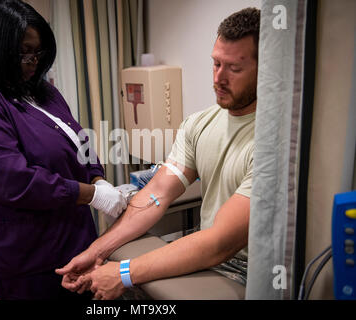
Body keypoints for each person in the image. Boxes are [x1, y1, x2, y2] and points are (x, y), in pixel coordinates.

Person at [56, 7, 260, 300]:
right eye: (215, 63)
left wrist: (123, 273)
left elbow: (219, 244)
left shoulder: (274, 141)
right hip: (208, 261)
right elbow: (157, 195)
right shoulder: (199, 124)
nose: (218, 78)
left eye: (234, 69)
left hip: (247, 273)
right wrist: (95, 252)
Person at [0, 0, 126, 300]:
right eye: (23, 52)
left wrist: (96, 178)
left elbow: (78, 138)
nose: (33, 61)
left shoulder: (42, 90)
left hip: (71, 236)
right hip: (23, 254)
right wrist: (92, 195)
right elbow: (15, 182)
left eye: (38, 52)